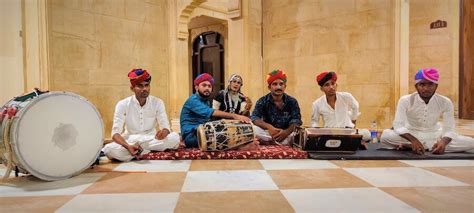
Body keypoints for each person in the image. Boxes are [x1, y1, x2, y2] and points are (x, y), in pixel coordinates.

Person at [380, 68, 474, 154]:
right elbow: (398, 125)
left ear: (436, 86)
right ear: (416, 86)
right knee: (385, 137)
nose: (426, 88)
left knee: (471, 143)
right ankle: (424, 145)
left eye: (430, 84)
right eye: (422, 84)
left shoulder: (445, 102)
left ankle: (421, 146)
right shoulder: (405, 100)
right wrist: (413, 140)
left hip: (435, 134)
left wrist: (443, 142)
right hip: (412, 133)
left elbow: (449, 129)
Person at [102, 69, 180, 161]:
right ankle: (145, 151)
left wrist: (164, 133)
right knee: (108, 150)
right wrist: (128, 146)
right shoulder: (122, 104)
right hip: (130, 140)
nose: (144, 89)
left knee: (175, 137)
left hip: (151, 138)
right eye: (140, 86)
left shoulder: (157, 102)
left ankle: (140, 151)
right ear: (132, 88)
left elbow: (166, 127)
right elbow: (115, 134)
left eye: (147, 85)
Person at [180, 73, 255, 148]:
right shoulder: (193, 100)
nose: (207, 88)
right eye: (204, 85)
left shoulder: (206, 101)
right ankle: (240, 147)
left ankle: (241, 144)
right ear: (196, 87)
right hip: (192, 135)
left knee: (228, 130)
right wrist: (235, 116)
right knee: (220, 135)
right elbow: (213, 112)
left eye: (209, 86)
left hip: (202, 130)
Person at [311, 71, 371, 141]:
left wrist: (353, 121)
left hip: (347, 132)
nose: (331, 87)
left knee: (367, 134)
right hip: (329, 134)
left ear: (336, 85)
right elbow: (314, 121)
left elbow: (355, 106)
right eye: (327, 85)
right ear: (322, 89)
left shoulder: (346, 96)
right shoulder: (317, 104)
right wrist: (316, 131)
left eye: (333, 83)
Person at [251, 69, 302, 145]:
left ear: (285, 86)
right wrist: (269, 127)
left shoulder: (292, 101)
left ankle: (270, 142)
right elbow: (255, 118)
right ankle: (274, 141)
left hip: (287, 133)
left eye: (281, 84)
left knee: (299, 133)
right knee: (253, 129)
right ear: (269, 87)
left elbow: (296, 120)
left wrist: (286, 132)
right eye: (275, 84)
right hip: (268, 132)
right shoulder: (262, 100)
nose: (278, 87)